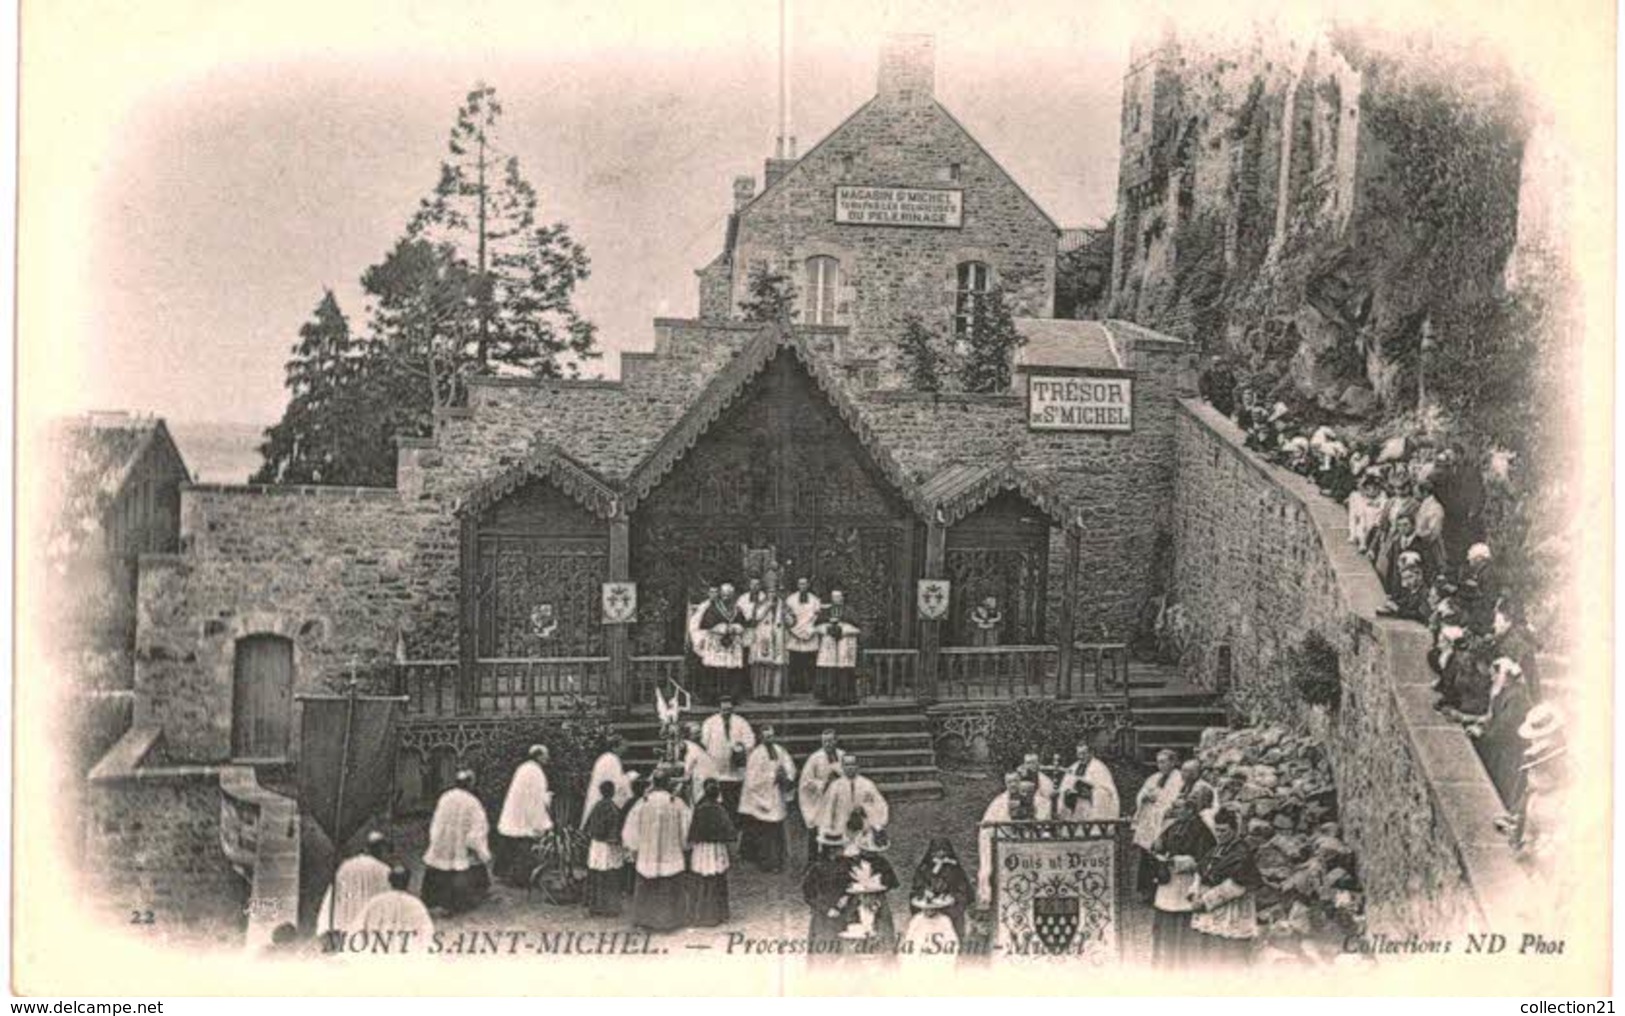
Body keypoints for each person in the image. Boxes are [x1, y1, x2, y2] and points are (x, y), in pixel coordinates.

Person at [1189, 808, 1261, 967]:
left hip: (1231, 910)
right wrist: (1194, 893)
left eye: (1223, 831)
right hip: (1210, 908)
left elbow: (1237, 885)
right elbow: (1200, 872)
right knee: (1210, 954)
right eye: (1217, 830)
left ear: (1234, 830)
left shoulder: (1242, 853)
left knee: (1229, 956)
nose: (1219, 834)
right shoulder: (1216, 849)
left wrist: (1205, 902)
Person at [1149, 797, 1216, 970]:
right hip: (1169, 879)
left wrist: (1183, 861)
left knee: (1183, 920)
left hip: (1187, 880)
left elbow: (1206, 857)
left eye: (1178, 808)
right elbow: (1159, 845)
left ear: (1190, 810)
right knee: (1166, 918)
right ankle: (1166, 958)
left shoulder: (1201, 830)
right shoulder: (1173, 825)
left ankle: (1184, 960)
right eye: (1174, 807)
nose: (1175, 811)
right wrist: (1157, 846)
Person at [623, 771, 692, 932]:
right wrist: (684, 845)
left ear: (654, 783)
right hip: (671, 852)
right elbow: (687, 829)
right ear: (668, 783)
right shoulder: (677, 803)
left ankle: (646, 920)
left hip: (647, 852)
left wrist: (634, 847)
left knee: (647, 881)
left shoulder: (643, 802)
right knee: (670, 880)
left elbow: (631, 828)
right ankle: (671, 920)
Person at [421, 770, 492, 916]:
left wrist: (436, 840)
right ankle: (458, 902)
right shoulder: (473, 803)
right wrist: (481, 851)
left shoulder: (445, 797)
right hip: (460, 846)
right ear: (470, 784)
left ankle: (434, 899)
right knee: (462, 868)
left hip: (443, 843)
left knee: (440, 866)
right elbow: (476, 832)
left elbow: (436, 822)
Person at [977, 773, 1050, 906]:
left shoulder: (1033, 799)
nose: (1013, 785)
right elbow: (988, 824)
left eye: (1015, 781)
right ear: (1006, 784)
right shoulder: (999, 802)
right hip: (1006, 841)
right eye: (1009, 782)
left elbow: (1042, 817)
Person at [837, 819, 900, 958]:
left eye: (874, 852)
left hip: (878, 899)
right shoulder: (851, 862)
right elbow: (843, 882)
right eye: (868, 851)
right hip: (856, 899)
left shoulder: (882, 862)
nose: (872, 855)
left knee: (881, 928)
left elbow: (891, 882)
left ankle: (883, 956)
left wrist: (878, 885)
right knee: (856, 927)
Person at [738, 725, 798, 872]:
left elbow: (790, 767)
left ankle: (778, 860)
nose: (769, 739)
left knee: (776, 829)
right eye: (766, 737)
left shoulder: (779, 750)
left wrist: (786, 776)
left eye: (771, 736)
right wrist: (772, 777)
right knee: (764, 831)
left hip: (775, 795)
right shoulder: (756, 755)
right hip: (761, 797)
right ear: (761, 738)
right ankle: (767, 862)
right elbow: (752, 780)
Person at [496, 744, 553, 885]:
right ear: (538, 756)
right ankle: (521, 879)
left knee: (513, 845)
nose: (548, 758)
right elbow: (536, 798)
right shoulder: (536, 772)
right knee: (524, 848)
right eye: (546, 755)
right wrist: (547, 800)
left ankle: (509, 875)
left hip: (515, 813)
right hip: (524, 816)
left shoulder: (523, 768)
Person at [1132, 750, 1185, 902]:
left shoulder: (1179, 779)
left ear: (1173, 762)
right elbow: (1142, 793)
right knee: (1146, 855)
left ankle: (1160, 890)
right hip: (1150, 821)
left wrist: (1158, 798)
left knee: (1160, 855)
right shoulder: (1154, 778)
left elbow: (1174, 800)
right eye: (1158, 762)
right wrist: (1145, 797)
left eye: (1163, 761)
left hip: (1165, 821)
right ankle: (1146, 891)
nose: (1160, 765)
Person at [319, 830, 392, 938]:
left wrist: (324, 925)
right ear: (380, 849)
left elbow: (333, 896)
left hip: (347, 928)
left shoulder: (346, 867)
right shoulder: (384, 871)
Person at [687, 779, 737, 927]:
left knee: (701, 879)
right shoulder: (720, 809)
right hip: (716, 849)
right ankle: (718, 914)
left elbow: (692, 831)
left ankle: (699, 914)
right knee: (717, 879)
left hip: (702, 849)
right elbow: (730, 832)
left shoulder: (699, 808)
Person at [910, 837, 973, 941]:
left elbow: (964, 891)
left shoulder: (955, 869)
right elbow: (916, 888)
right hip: (928, 909)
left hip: (950, 910)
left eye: (943, 851)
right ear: (931, 852)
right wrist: (924, 892)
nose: (940, 853)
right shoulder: (924, 868)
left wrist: (953, 897)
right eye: (936, 851)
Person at [816, 753, 889, 844]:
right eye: (847, 765)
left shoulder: (867, 784)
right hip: (841, 826)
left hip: (863, 825)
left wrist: (878, 824)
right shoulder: (836, 786)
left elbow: (879, 803)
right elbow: (828, 808)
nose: (850, 767)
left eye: (852, 764)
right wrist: (826, 828)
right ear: (842, 767)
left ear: (857, 766)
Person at [700, 697, 756, 814]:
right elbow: (704, 742)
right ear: (719, 709)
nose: (727, 712)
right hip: (717, 765)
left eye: (729, 709)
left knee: (734, 796)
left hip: (735, 768)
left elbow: (750, 739)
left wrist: (741, 747)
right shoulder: (710, 722)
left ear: (733, 709)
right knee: (719, 795)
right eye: (724, 709)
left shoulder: (741, 722)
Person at [802, 829, 852, 962]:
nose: (841, 850)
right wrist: (826, 909)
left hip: (843, 913)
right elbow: (809, 895)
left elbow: (851, 884)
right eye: (837, 848)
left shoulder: (846, 865)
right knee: (823, 951)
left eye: (841, 847)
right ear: (829, 850)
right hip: (822, 917)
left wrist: (846, 897)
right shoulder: (816, 868)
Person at [583, 780, 628, 917]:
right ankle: (610, 908)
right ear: (612, 792)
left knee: (597, 875)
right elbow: (616, 829)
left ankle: (595, 906)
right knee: (611, 876)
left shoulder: (597, 806)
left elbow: (588, 826)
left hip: (596, 844)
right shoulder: (613, 808)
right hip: (608, 845)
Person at [357, 865, 434, 945]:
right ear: (408, 882)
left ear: (389, 881)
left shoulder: (376, 901)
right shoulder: (415, 904)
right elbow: (426, 931)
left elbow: (359, 925)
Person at [697, 583, 749, 703]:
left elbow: (743, 624)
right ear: (720, 594)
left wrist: (737, 628)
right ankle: (713, 697)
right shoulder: (712, 608)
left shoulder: (737, 609)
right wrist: (722, 628)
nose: (726, 597)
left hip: (732, 643)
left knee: (733, 670)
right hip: (717, 643)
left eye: (729, 595)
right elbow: (706, 624)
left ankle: (732, 696)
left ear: (732, 595)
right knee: (714, 669)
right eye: (724, 594)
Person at [744, 575, 789, 700]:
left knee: (777, 665)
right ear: (766, 592)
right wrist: (767, 607)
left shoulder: (782, 604)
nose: (772, 594)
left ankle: (775, 693)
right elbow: (754, 619)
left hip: (778, 637)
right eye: (770, 591)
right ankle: (760, 693)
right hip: (763, 636)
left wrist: (787, 617)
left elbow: (792, 620)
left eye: (774, 591)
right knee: (762, 664)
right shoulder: (760, 603)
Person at [798, 729, 842, 857]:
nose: (827, 744)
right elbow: (806, 783)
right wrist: (824, 783)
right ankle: (815, 863)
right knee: (817, 835)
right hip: (820, 802)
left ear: (836, 741)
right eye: (824, 742)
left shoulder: (843, 755)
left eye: (830, 741)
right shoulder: (815, 759)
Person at [814, 590, 862, 706]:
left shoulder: (850, 611)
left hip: (845, 642)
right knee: (829, 669)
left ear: (842, 598)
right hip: (829, 644)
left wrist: (842, 630)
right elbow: (817, 626)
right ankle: (829, 697)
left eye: (838, 597)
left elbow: (857, 627)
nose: (836, 599)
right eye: (834, 597)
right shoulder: (826, 611)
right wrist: (828, 628)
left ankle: (845, 697)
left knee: (844, 668)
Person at [582, 734, 637, 826]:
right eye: (623, 746)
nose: (625, 750)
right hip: (604, 800)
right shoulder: (612, 759)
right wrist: (629, 777)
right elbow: (617, 783)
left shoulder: (605, 758)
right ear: (615, 747)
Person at [1060, 741, 1119, 819]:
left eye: (1084, 754)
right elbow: (1064, 787)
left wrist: (1091, 793)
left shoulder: (1099, 768)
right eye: (1078, 754)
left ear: (1091, 753)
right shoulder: (1073, 768)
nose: (1081, 757)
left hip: (1091, 808)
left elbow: (1108, 792)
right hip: (1075, 808)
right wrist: (1067, 792)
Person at [785, 577, 823, 697]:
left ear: (808, 585)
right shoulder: (790, 599)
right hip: (794, 633)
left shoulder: (815, 600)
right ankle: (795, 687)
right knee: (795, 662)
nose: (803, 586)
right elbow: (787, 617)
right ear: (797, 585)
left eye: (805, 584)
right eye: (800, 584)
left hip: (809, 632)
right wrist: (794, 630)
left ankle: (809, 687)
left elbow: (817, 618)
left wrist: (809, 630)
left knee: (809, 662)